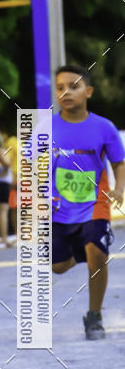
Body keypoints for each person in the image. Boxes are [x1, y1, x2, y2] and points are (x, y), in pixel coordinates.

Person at [51, 65, 125, 340]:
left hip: (95, 203)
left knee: (97, 254)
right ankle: (82, 253)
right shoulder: (46, 127)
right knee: (57, 266)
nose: (66, 92)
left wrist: (119, 189)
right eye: (60, 88)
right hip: (58, 208)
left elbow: (119, 163)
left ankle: (94, 316)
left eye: (73, 86)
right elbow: (31, 164)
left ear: (88, 91)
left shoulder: (103, 127)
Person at [0, 129, 14, 246]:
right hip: (2, 182)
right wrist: (5, 171)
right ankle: (3, 238)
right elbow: (7, 163)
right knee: (3, 210)